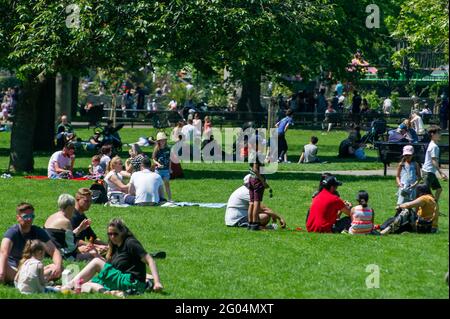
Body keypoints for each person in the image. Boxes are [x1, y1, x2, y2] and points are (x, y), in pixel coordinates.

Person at [64, 218, 163, 295]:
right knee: (85, 283)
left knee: (96, 262)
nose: (112, 237)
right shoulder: (114, 246)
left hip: (131, 282)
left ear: (122, 232)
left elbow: (150, 260)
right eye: (109, 234)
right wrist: (96, 254)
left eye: (115, 234)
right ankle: (112, 293)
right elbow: (109, 267)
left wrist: (157, 282)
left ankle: (68, 286)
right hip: (124, 280)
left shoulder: (130, 243)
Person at [0, 203, 63, 285]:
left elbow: (54, 251)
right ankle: (36, 280)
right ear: (18, 218)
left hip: (31, 269)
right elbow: (3, 252)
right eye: (25, 216)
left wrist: (58, 266)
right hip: (14, 269)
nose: (29, 219)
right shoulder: (12, 232)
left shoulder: (38, 231)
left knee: (58, 267)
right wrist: (1, 272)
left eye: (32, 216)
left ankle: (29, 280)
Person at [44, 194, 99, 261]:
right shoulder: (66, 221)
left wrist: (80, 228)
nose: (74, 211)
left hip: (48, 252)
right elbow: (71, 247)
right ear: (69, 207)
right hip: (61, 254)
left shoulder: (52, 216)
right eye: (73, 208)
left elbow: (64, 236)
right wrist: (82, 249)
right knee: (93, 254)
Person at [421, 126, 447, 232]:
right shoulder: (434, 147)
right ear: (432, 134)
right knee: (424, 195)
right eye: (438, 133)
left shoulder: (433, 145)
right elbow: (434, 161)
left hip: (430, 172)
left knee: (439, 189)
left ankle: (434, 207)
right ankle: (423, 210)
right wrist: (441, 173)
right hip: (428, 172)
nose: (440, 135)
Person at [71, 188, 108, 255]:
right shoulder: (72, 217)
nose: (89, 204)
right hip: (73, 248)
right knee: (96, 252)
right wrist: (97, 246)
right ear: (77, 199)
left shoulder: (82, 216)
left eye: (90, 201)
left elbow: (92, 237)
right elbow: (74, 240)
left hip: (82, 246)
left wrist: (108, 246)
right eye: (86, 201)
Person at [247, 150, 270, 231]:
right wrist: (263, 182)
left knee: (251, 202)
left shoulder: (252, 154)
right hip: (257, 181)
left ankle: (250, 223)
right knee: (256, 202)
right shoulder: (257, 155)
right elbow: (255, 169)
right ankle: (255, 223)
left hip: (251, 179)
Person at [152, 132, 172, 201]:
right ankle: (158, 198)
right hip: (158, 170)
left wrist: (170, 168)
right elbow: (153, 159)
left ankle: (169, 199)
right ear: (158, 141)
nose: (162, 141)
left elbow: (170, 159)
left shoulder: (168, 149)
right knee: (158, 185)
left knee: (167, 185)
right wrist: (158, 164)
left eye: (164, 140)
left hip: (166, 170)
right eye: (161, 140)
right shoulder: (156, 149)